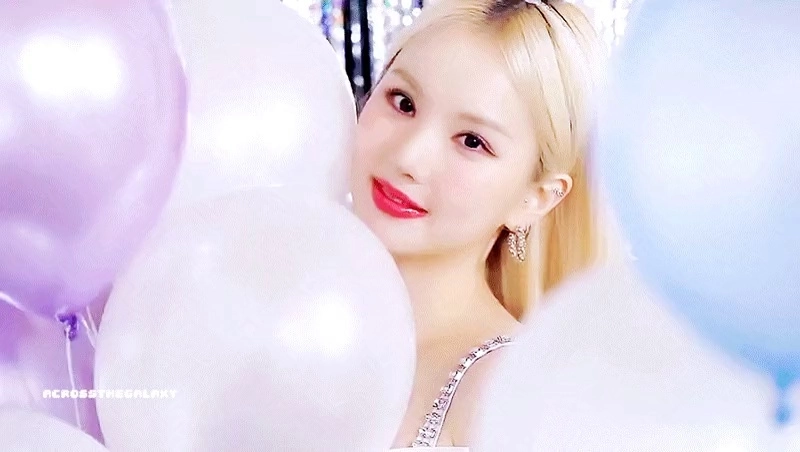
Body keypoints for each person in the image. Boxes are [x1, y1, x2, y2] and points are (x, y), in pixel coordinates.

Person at [348, 0, 609, 448]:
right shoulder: (279, 305)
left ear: (535, 199)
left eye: (472, 141)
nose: (409, 157)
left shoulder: (513, 396)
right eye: (403, 102)